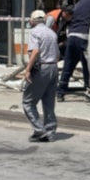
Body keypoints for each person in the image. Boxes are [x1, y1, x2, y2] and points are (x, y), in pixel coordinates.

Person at [21, 10, 60, 142]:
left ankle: (39, 130)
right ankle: (50, 130)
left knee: (28, 102)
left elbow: (35, 51)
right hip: (53, 67)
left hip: (42, 67)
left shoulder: (34, 32)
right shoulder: (52, 33)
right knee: (48, 102)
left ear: (32, 21)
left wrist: (28, 69)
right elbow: (57, 54)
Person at [57, 0, 90, 101]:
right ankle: (89, 92)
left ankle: (60, 93)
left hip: (71, 38)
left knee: (68, 66)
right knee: (86, 66)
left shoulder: (77, 4)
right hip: (84, 38)